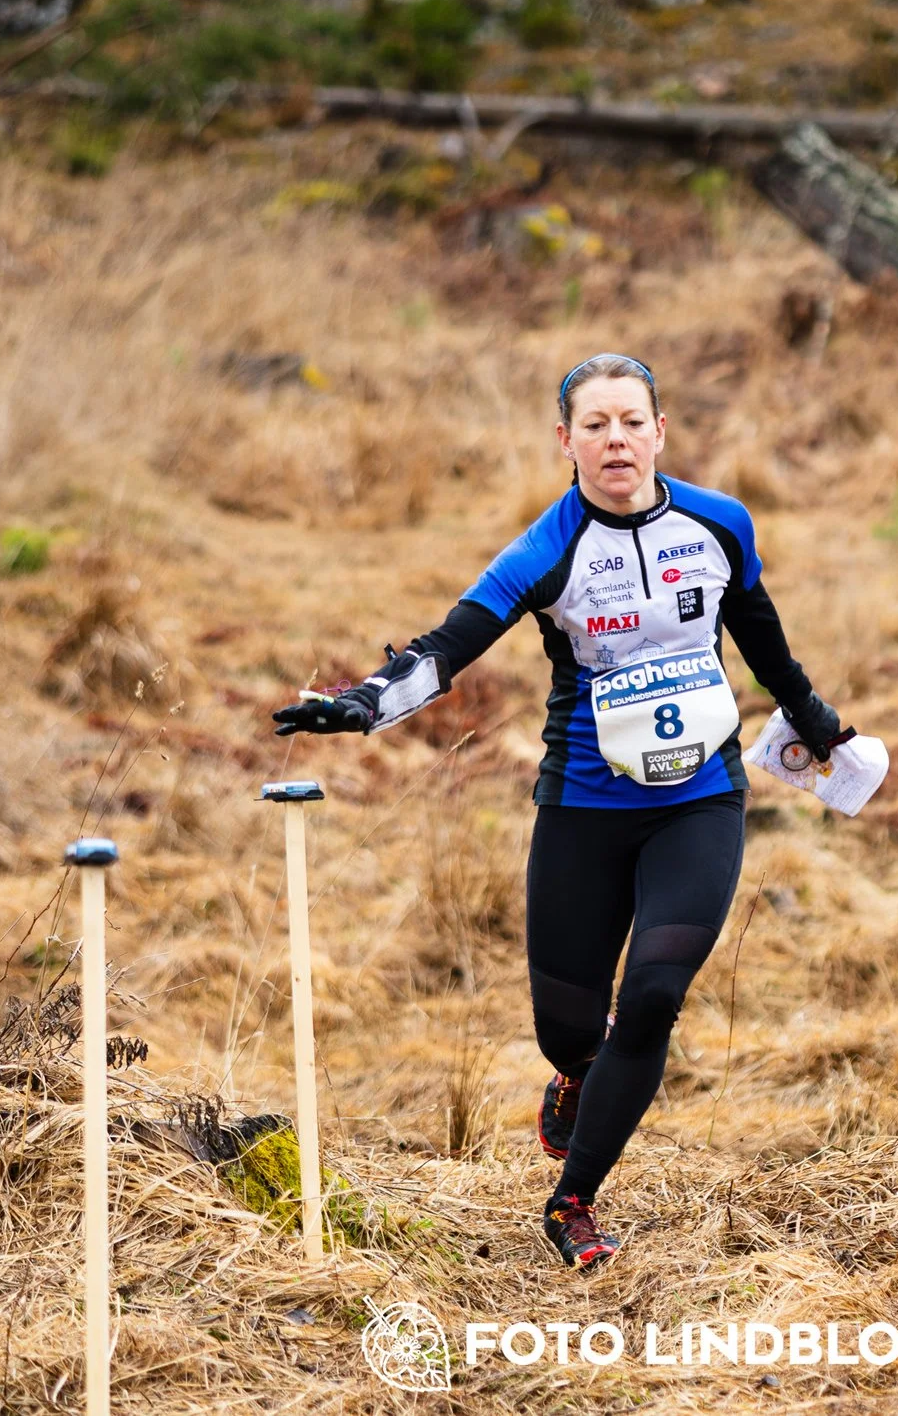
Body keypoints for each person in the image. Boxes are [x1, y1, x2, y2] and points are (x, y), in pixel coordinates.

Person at [272, 353, 853, 1270]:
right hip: (584, 803)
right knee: (568, 1027)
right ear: (566, 441)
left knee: (655, 996)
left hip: (700, 798)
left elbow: (763, 639)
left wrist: (818, 725)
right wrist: (361, 704)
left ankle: (573, 1199)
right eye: (596, 424)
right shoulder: (546, 548)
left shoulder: (720, 523)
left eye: (632, 421)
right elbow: (448, 646)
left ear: (660, 431)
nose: (616, 439)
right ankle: (578, 1072)